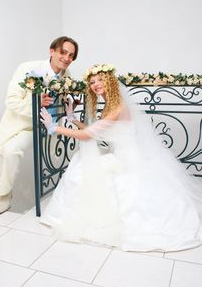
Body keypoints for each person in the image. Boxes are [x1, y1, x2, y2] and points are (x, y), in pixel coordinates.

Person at [39, 63, 202, 252]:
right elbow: (99, 133)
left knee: (81, 168)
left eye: (100, 80)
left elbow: (88, 135)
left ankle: (80, 217)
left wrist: (54, 128)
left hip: (127, 160)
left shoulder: (118, 107)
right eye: (92, 82)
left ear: (110, 81)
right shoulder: (110, 103)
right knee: (81, 164)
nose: (96, 84)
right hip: (119, 155)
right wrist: (73, 118)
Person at [0, 36, 79, 215]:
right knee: (3, 153)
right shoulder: (28, 68)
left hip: (43, 126)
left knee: (11, 151)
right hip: (19, 123)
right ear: (52, 51)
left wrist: (71, 103)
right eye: (63, 52)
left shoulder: (67, 76)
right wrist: (37, 102)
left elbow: (63, 101)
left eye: (71, 55)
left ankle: (5, 196)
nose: (67, 58)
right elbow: (11, 100)